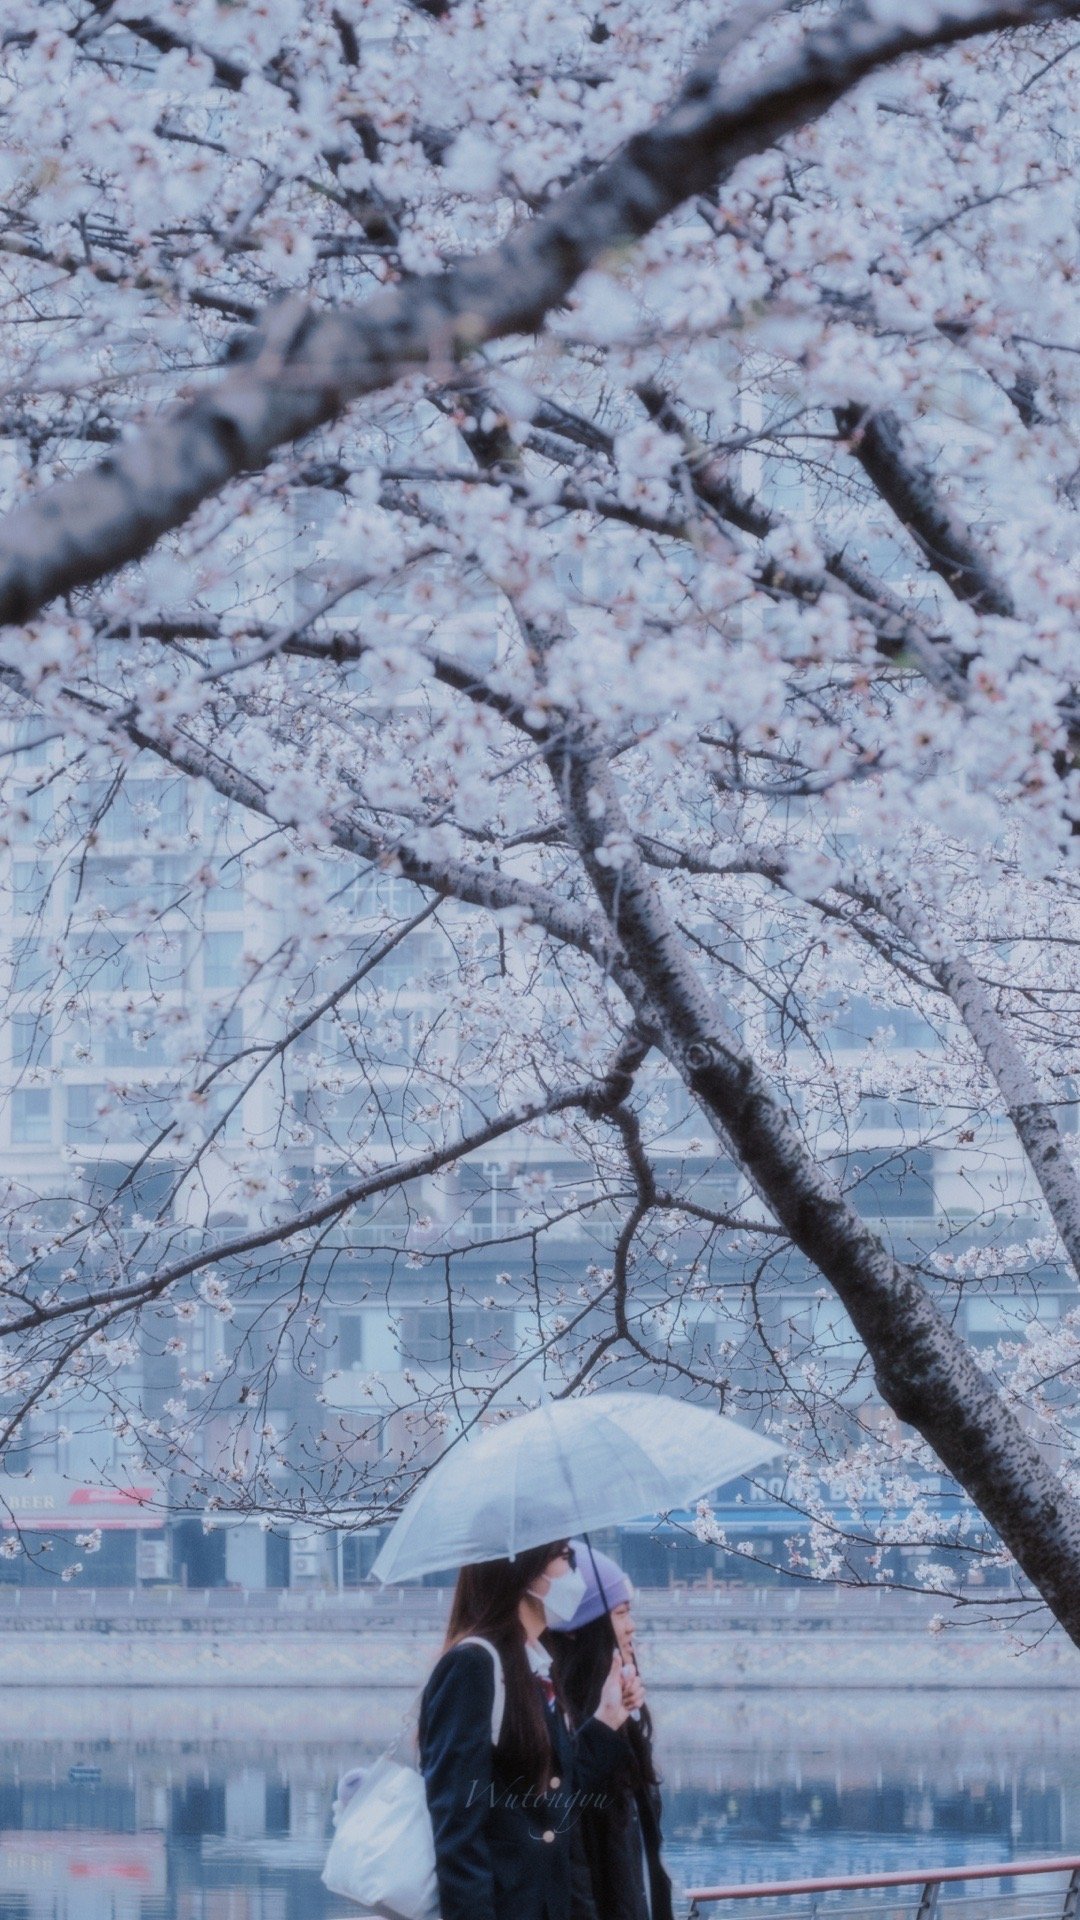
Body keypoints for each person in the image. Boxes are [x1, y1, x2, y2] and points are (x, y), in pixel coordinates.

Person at [419, 1538, 643, 1920]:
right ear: (523, 1569)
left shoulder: (534, 1666)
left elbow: (552, 1798)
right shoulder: (473, 1665)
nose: (575, 1574)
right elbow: (458, 1830)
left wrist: (607, 1719)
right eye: (565, 1558)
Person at [547, 1541, 675, 1920]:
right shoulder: (559, 1719)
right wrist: (604, 1727)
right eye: (620, 1613)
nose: (631, 1626)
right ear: (580, 1630)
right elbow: (562, 1825)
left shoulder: (618, 1714)